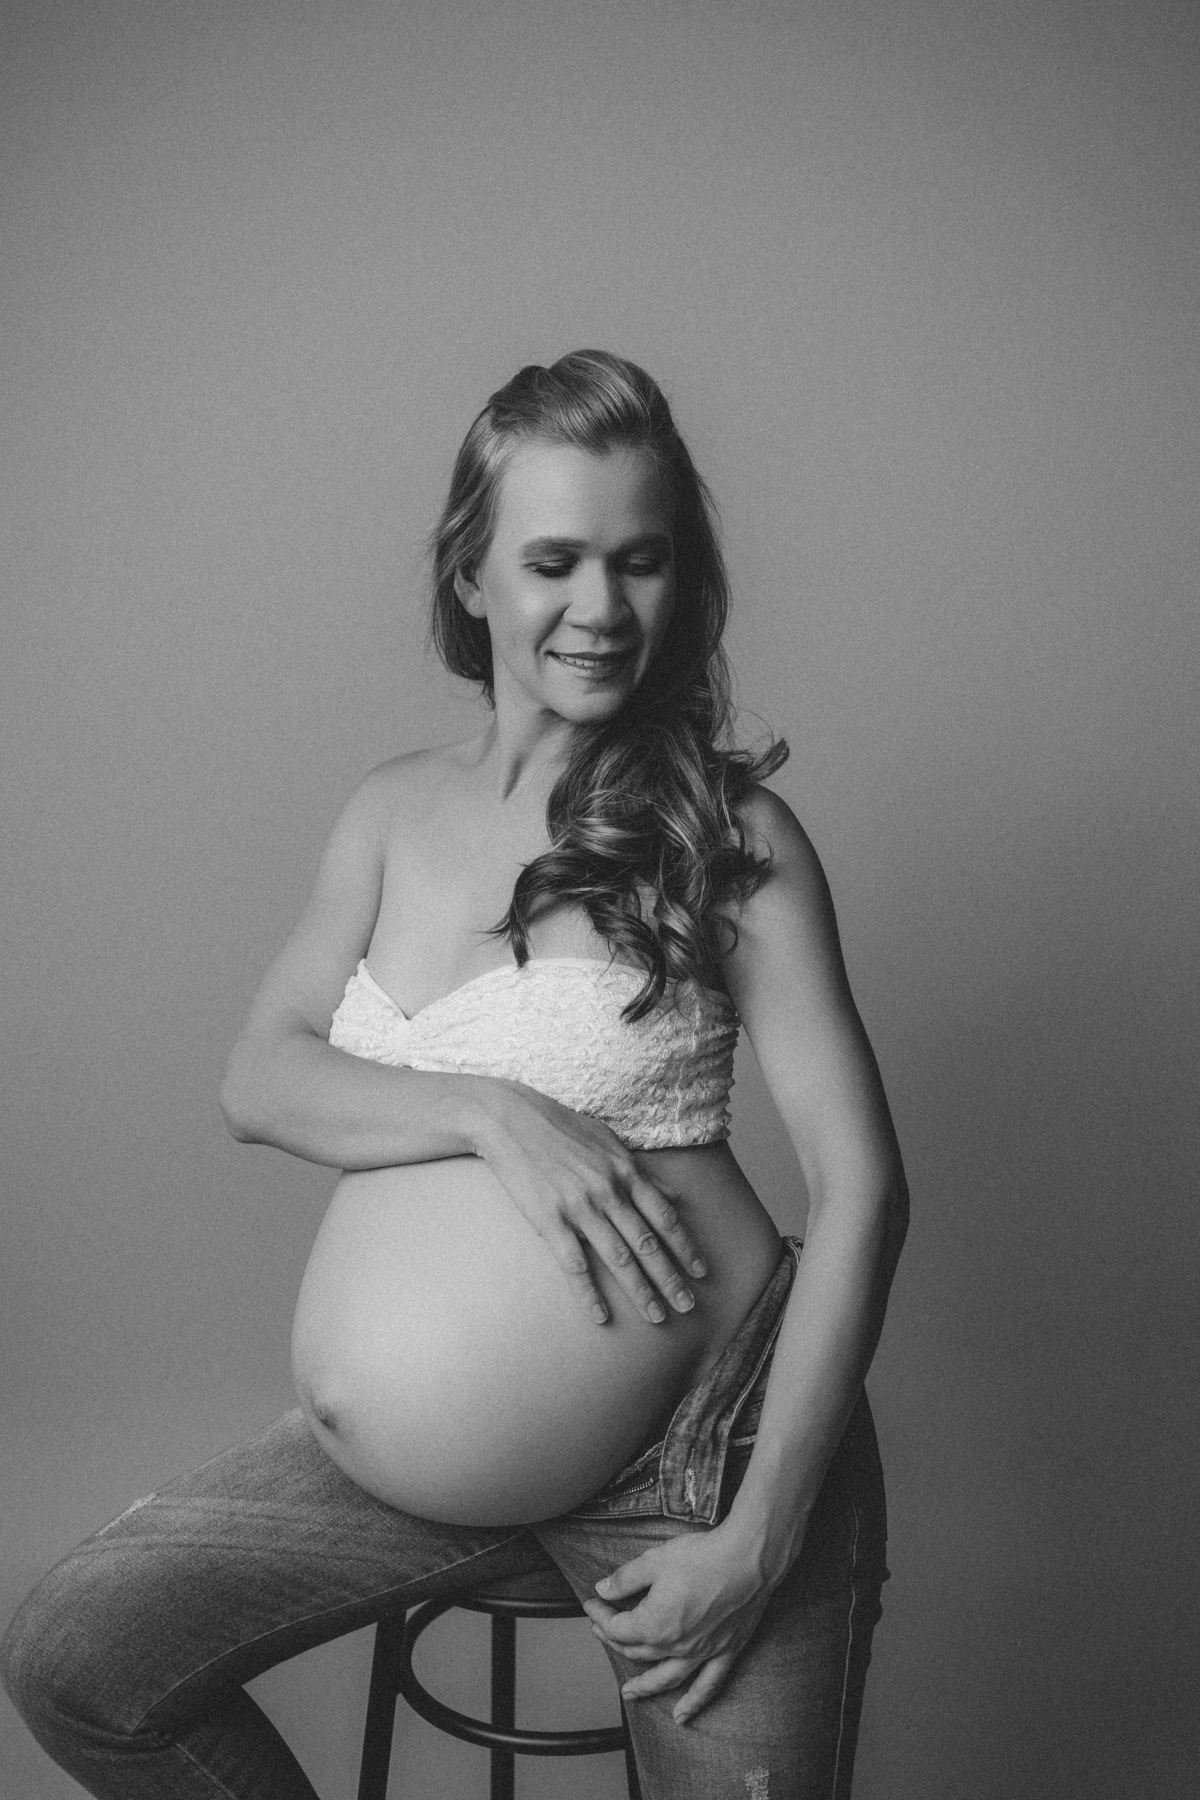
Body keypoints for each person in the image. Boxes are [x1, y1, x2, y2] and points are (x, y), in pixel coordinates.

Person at [2, 350, 909, 1798]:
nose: (601, 607)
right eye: (554, 562)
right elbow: (260, 1079)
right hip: (396, 1482)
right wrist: (497, 1115)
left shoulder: (727, 836)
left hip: (706, 1460)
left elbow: (863, 1189)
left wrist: (760, 1539)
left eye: (641, 560)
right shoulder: (390, 811)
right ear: (472, 575)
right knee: (78, 1660)